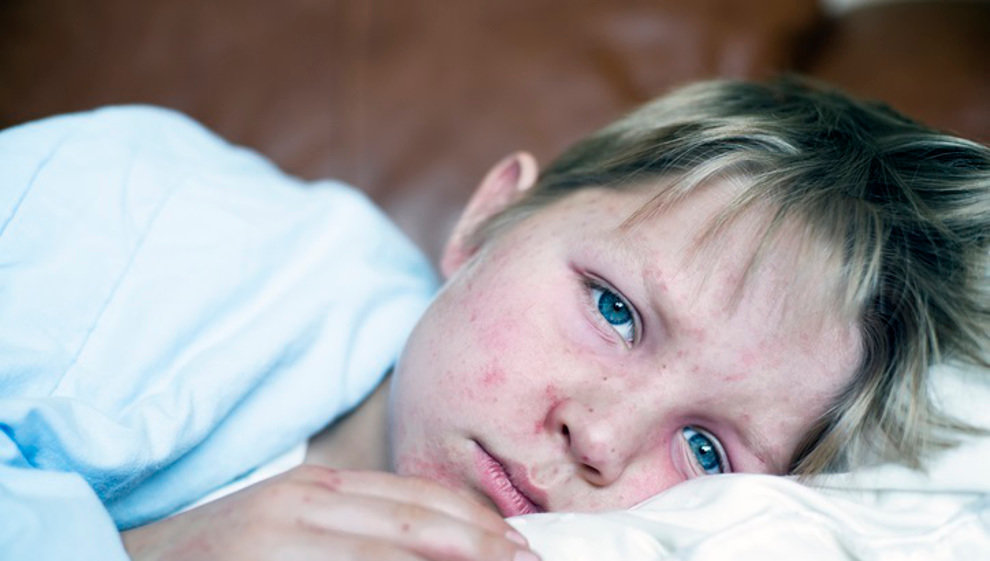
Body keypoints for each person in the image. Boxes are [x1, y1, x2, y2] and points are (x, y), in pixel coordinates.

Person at [1, 77, 986, 561]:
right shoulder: (133, 215)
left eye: (705, 447)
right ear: (483, 222)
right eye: (614, 310)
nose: (598, 437)